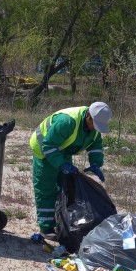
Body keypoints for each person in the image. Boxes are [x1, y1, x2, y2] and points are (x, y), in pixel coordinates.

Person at [29, 101, 112, 238]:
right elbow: (48, 145)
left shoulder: (93, 127)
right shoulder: (67, 122)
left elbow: (95, 144)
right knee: (46, 188)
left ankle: (62, 222)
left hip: (62, 151)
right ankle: (46, 228)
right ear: (88, 117)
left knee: (66, 187)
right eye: (95, 125)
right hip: (44, 151)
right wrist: (62, 164)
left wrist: (96, 163)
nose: (95, 129)